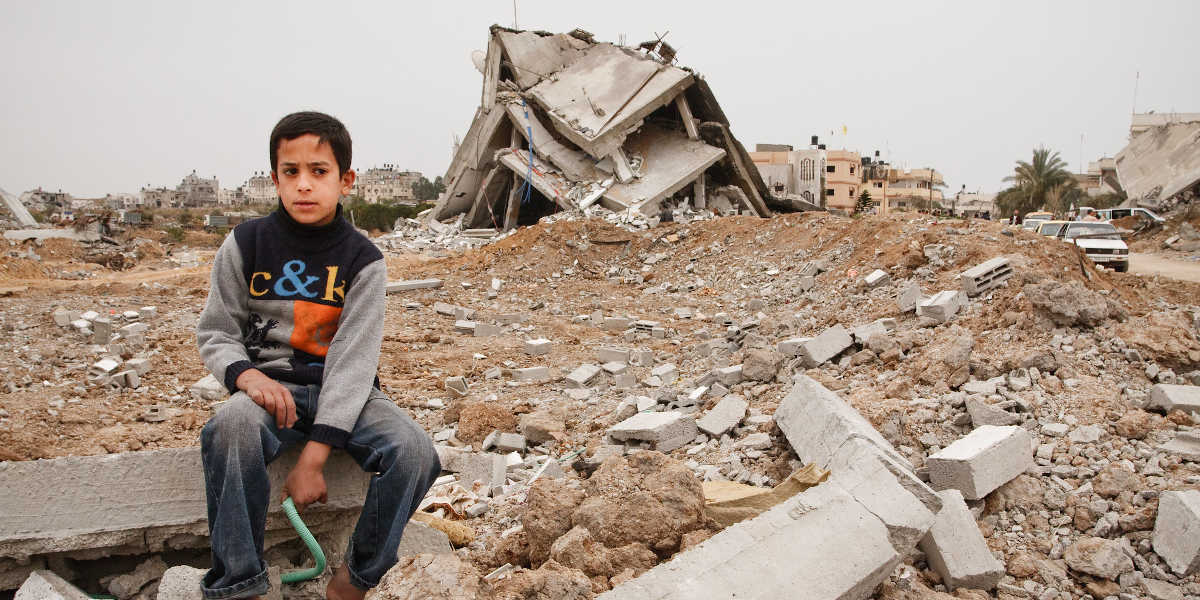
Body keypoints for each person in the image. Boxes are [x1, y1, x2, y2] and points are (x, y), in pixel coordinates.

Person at [196, 111, 440, 600]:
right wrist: (247, 378)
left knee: (414, 451)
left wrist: (314, 455)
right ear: (274, 179)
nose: (304, 185)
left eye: (319, 171)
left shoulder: (363, 259)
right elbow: (217, 332)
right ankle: (239, 583)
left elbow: (354, 360)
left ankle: (357, 578)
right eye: (292, 172)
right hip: (271, 391)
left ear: (345, 180)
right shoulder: (245, 243)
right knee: (229, 429)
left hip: (345, 393)